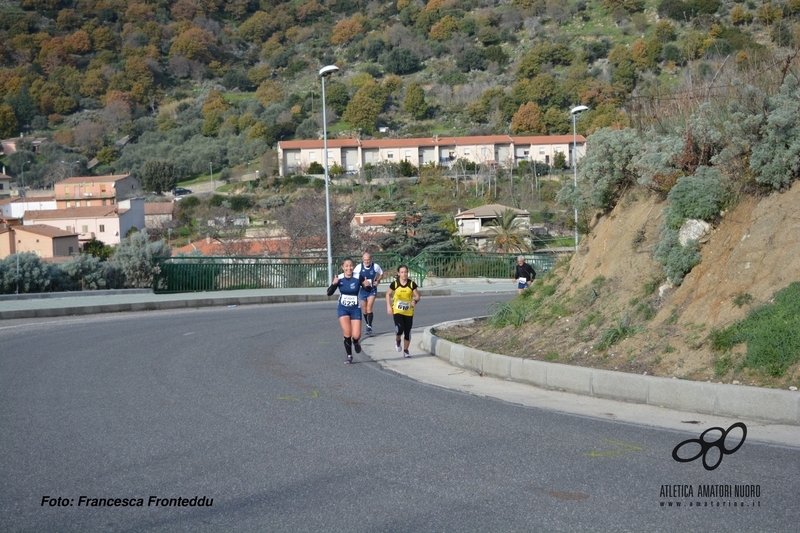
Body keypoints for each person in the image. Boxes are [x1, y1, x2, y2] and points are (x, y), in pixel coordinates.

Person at [327, 258, 370, 364]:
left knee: (356, 335)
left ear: (353, 266)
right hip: (343, 308)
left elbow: (367, 289)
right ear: (343, 267)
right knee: (347, 332)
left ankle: (355, 342)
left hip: (355, 308)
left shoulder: (358, 277)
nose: (349, 268)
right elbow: (329, 293)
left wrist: (367, 285)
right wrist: (333, 284)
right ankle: (349, 355)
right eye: (346, 266)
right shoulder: (339, 278)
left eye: (350, 265)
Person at [385, 264, 420, 358]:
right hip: (397, 310)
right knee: (400, 329)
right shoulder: (395, 284)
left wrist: (415, 300)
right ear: (398, 273)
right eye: (402, 272)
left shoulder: (411, 284)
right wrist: (388, 306)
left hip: (408, 311)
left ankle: (406, 350)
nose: (404, 274)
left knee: (407, 332)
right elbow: (388, 294)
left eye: (405, 272)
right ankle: (397, 340)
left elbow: (417, 296)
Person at [353, 252, 384, 335]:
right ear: (363, 260)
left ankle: (369, 326)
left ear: (371, 259)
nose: (367, 261)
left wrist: (377, 281)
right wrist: (362, 282)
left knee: (369, 308)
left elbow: (381, 273)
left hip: (372, 290)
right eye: (365, 260)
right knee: (365, 310)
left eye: (368, 260)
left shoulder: (375, 266)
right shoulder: (359, 267)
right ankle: (367, 323)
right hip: (362, 290)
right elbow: (354, 277)